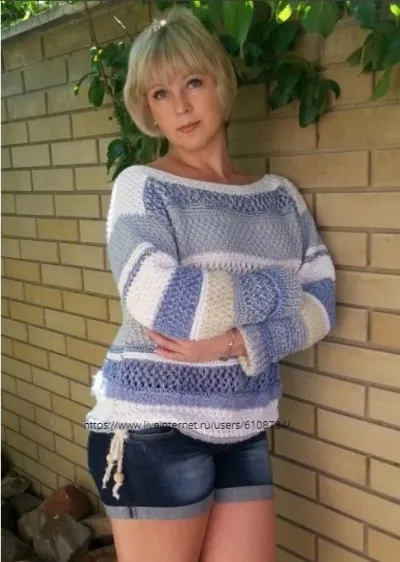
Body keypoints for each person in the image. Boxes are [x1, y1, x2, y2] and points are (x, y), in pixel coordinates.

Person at [85, 6, 336, 562]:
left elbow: (321, 305)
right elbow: (165, 303)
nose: (180, 105)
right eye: (160, 93)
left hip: (243, 422)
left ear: (220, 83)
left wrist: (237, 343)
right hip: (152, 428)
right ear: (148, 109)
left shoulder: (279, 197)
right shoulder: (141, 187)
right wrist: (281, 288)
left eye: (192, 82)